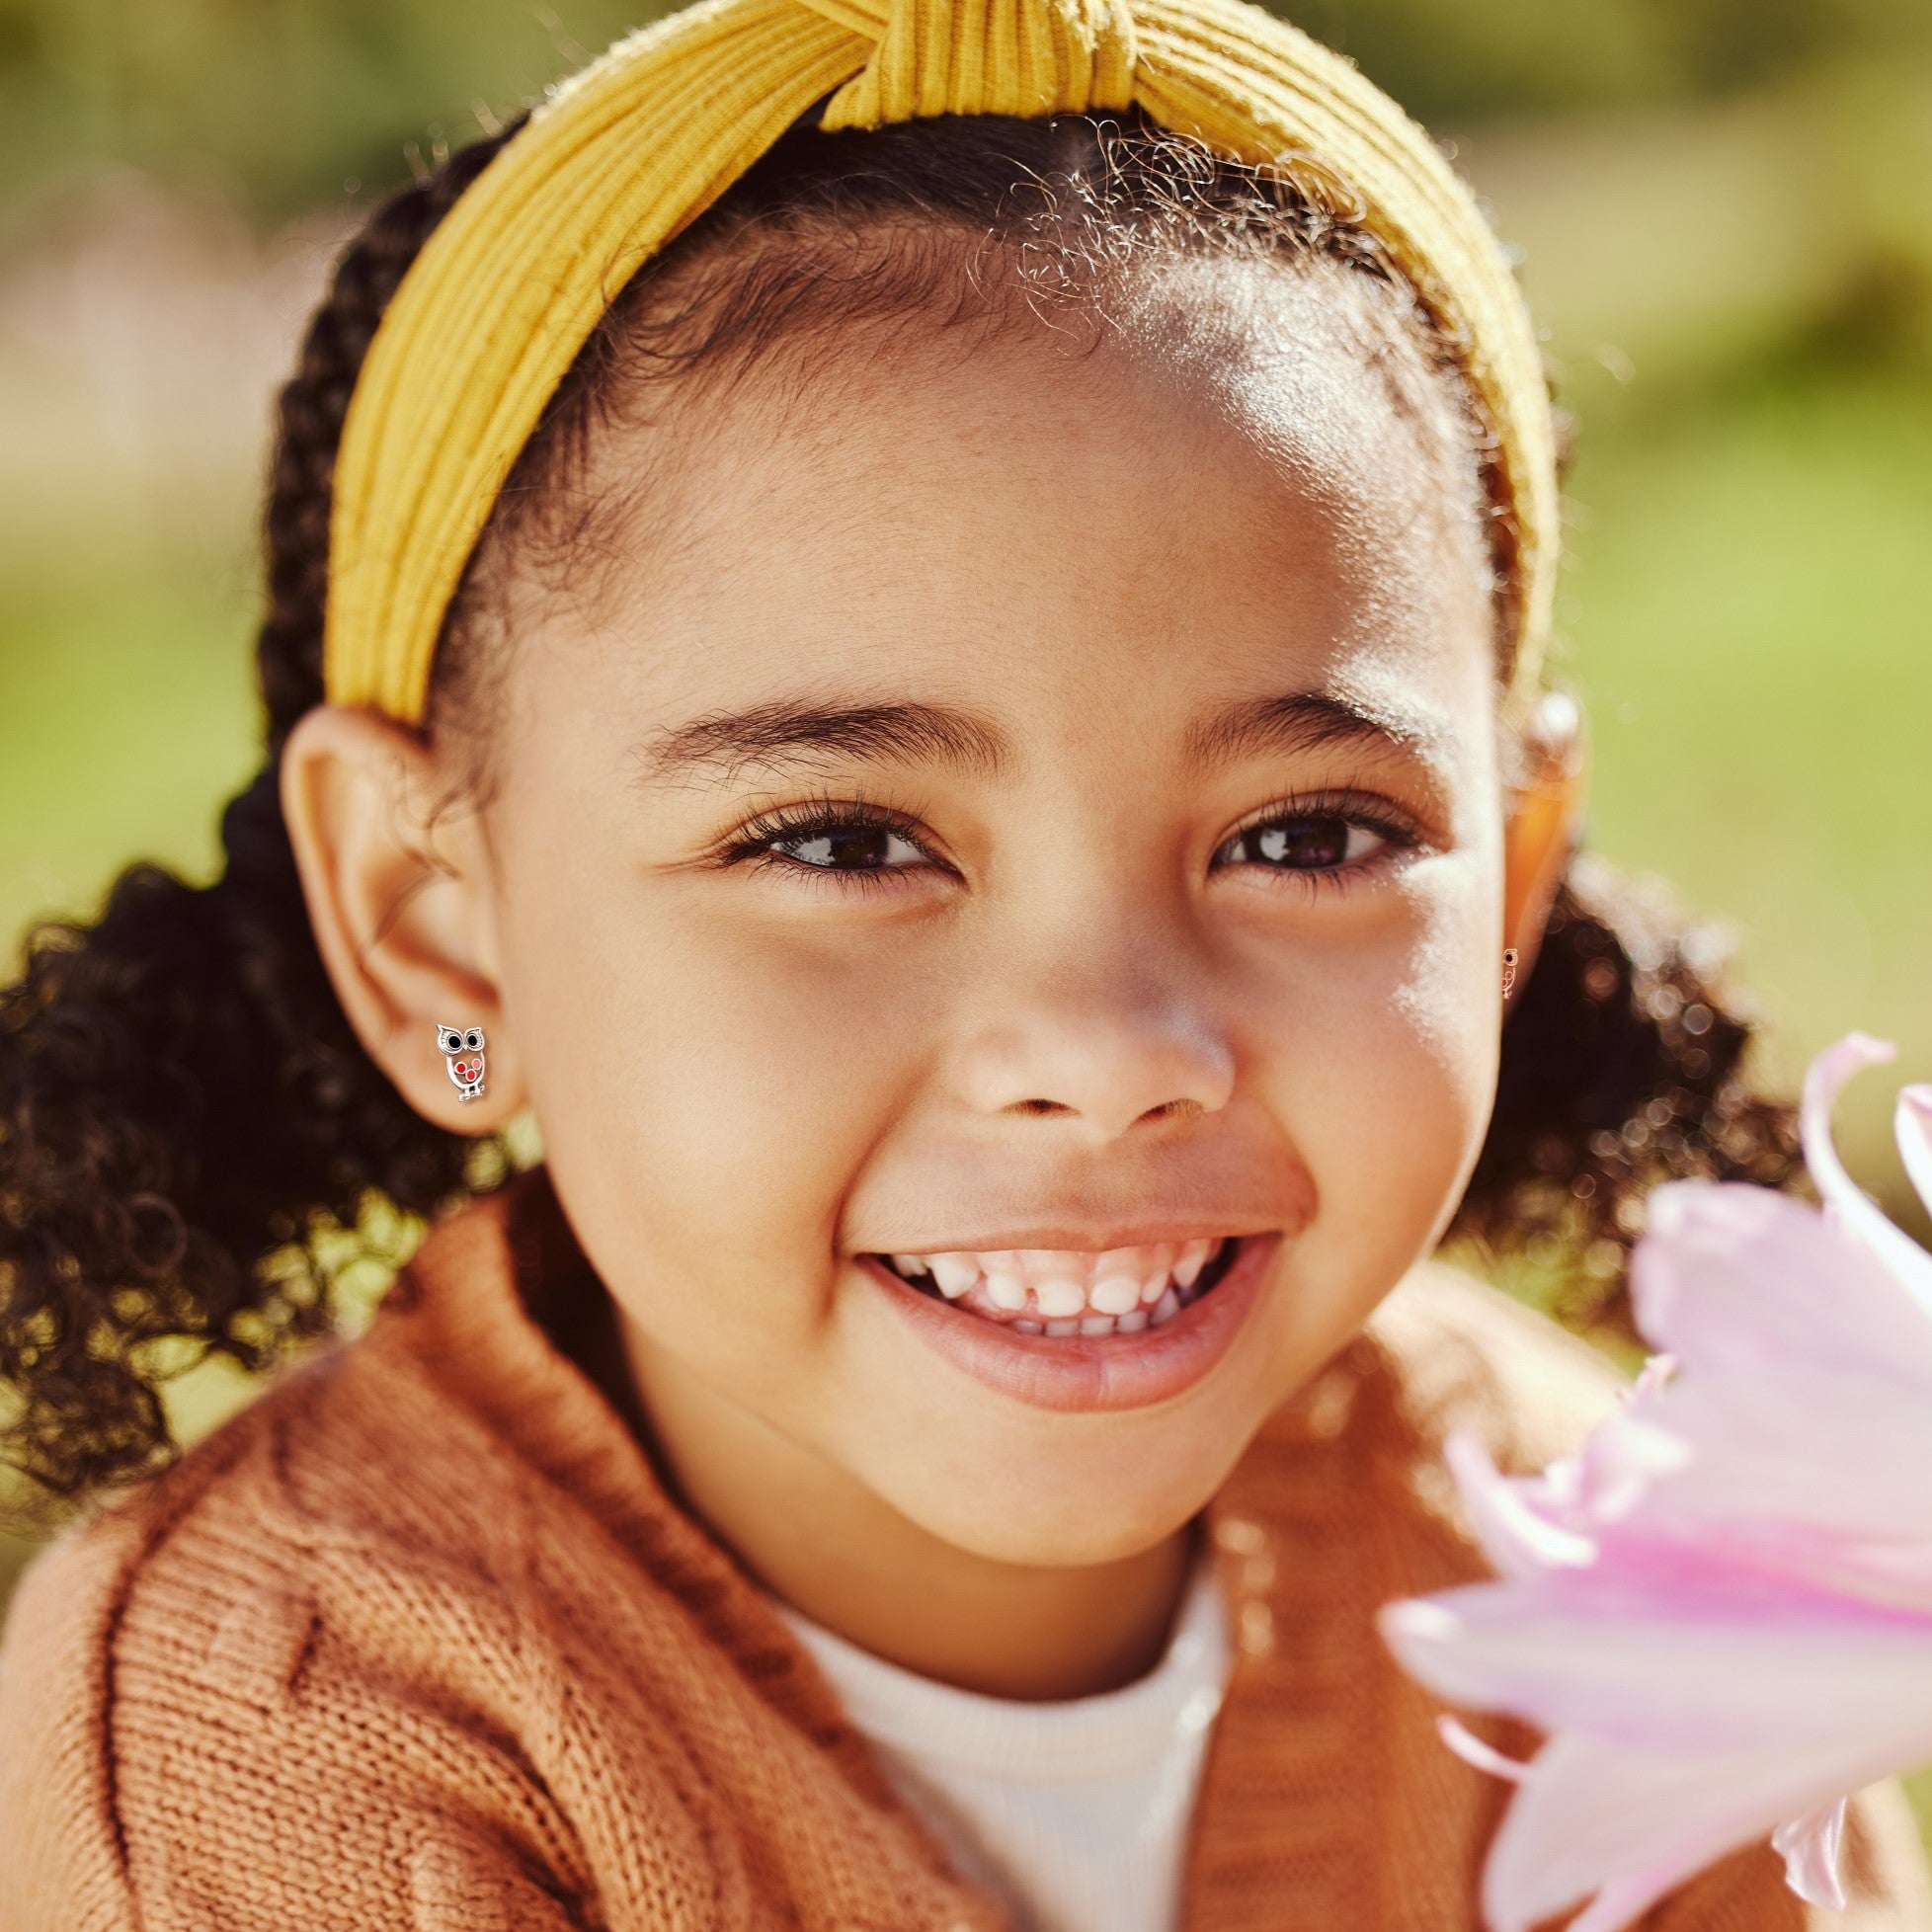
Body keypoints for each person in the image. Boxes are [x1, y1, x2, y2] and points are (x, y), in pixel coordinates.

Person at [1, 0, 1926, 1925]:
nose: (1105, 1054)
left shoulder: (1617, 1575)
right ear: (441, 935)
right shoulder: (267, 1723)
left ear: (1506, 886)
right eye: (842, 841)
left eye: (1308, 836)